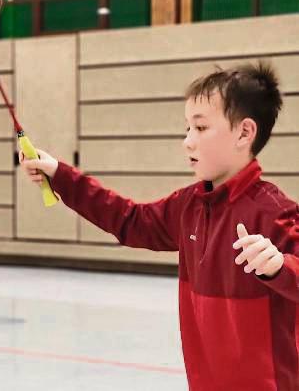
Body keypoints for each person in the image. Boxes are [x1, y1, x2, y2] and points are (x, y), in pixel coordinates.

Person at [21, 62, 298, 390]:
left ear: (244, 132)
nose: (188, 141)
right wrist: (61, 176)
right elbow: (129, 220)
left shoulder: (274, 211)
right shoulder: (188, 207)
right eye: (187, 129)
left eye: (201, 128)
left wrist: (281, 266)